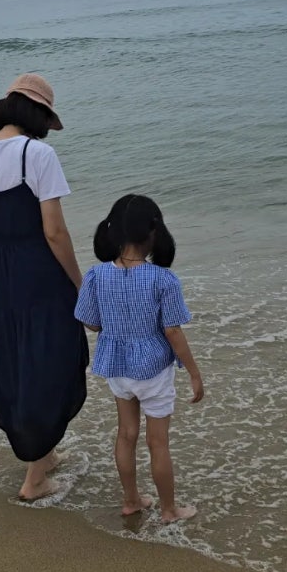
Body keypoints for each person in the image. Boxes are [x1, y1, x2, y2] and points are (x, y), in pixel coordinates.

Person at [0, 73, 89, 501]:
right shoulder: (39, 154)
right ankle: (35, 479)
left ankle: (43, 454)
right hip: (39, 269)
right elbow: (54, 232)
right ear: (38, 114)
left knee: (17, 357)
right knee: (49, 358)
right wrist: (80, 283)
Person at [74, 194, 204, 524]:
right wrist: (193, 372)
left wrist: (115, 322)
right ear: (153, 233)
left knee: (126, 434)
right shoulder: (163, 279)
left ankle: (131, 500)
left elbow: (91, 322)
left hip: (117, 369)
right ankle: (169, 510)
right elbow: (172, 330)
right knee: (158, 443)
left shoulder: (96, 276)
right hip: (153, 370)